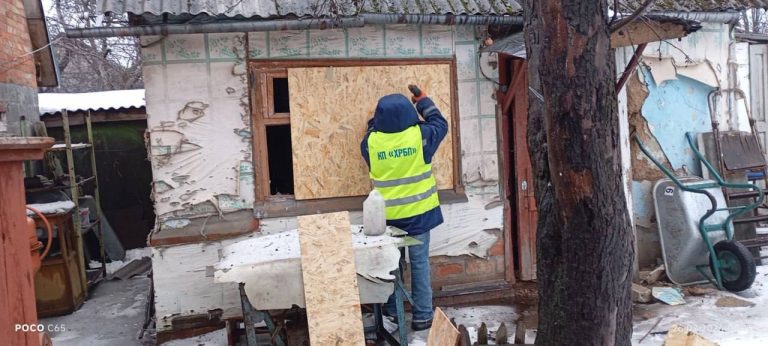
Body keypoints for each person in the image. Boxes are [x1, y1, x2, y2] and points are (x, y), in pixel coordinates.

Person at [360, 89, 448, 331]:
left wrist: (378, 121)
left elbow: (370, 129)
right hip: (419, 215)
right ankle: (422, 316)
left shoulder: (370, 143)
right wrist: (423, 102)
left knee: (391, 266)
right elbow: (439, 123)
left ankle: (392, 314)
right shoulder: (422, 136)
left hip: (387, 219)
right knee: (419, 265)